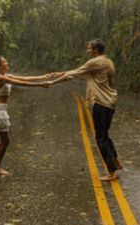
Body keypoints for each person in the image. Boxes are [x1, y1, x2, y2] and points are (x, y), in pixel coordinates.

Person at [47, 39, 122, 181]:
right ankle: (116, 162)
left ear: (95, 49)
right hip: (110, 103)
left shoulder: (95, 62)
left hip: (101, 103)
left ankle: (111, 172)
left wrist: (52, 82)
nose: (87, 50)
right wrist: (58, 73)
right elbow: (80, 71)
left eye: (89, 48)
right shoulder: (107, 61)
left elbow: (74, 74)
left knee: (100, 138)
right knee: (104, 135)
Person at [0, 55, 49, 175]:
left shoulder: (4, 76)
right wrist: (40, 84)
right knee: (5, 140)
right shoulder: (1, 78)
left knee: (4, 140)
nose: (7, 63)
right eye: (4, 62)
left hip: (0, 111)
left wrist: (43, 77)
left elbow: (25, 78)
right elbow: (21, 83)